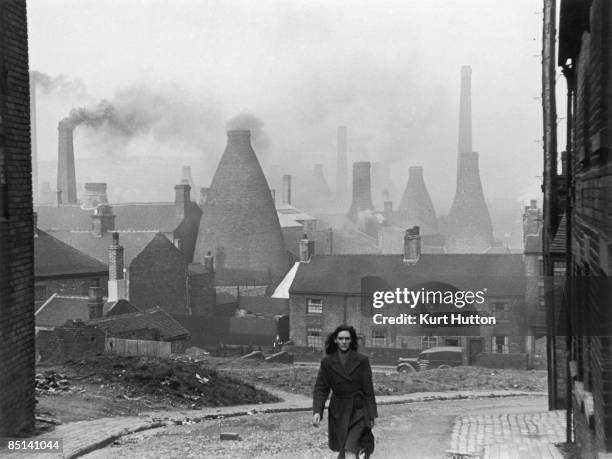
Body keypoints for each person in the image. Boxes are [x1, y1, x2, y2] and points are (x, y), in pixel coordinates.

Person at [312, 325, 377, 459]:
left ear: (352, 341)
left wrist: (372, 415)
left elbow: (368, 390)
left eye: (347, 338)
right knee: (345, 449)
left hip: (359, 410)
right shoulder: (327, 362)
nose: (344, 341)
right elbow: (321, 388)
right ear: (335, 340)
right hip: (338, 411)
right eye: (341, 338)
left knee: (349, 450)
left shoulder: (362, 360)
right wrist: (317, 411)